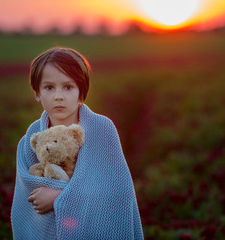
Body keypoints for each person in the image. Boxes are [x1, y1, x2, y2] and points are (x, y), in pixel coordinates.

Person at [11, 47, 144, 239]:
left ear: (81, 91)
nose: (59, 96)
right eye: (49, 87)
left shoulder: (102, 131)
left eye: (68, 87)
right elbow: (27, 206)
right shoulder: (30, 141)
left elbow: (116, 194)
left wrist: (59, 197)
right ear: (37, 93)